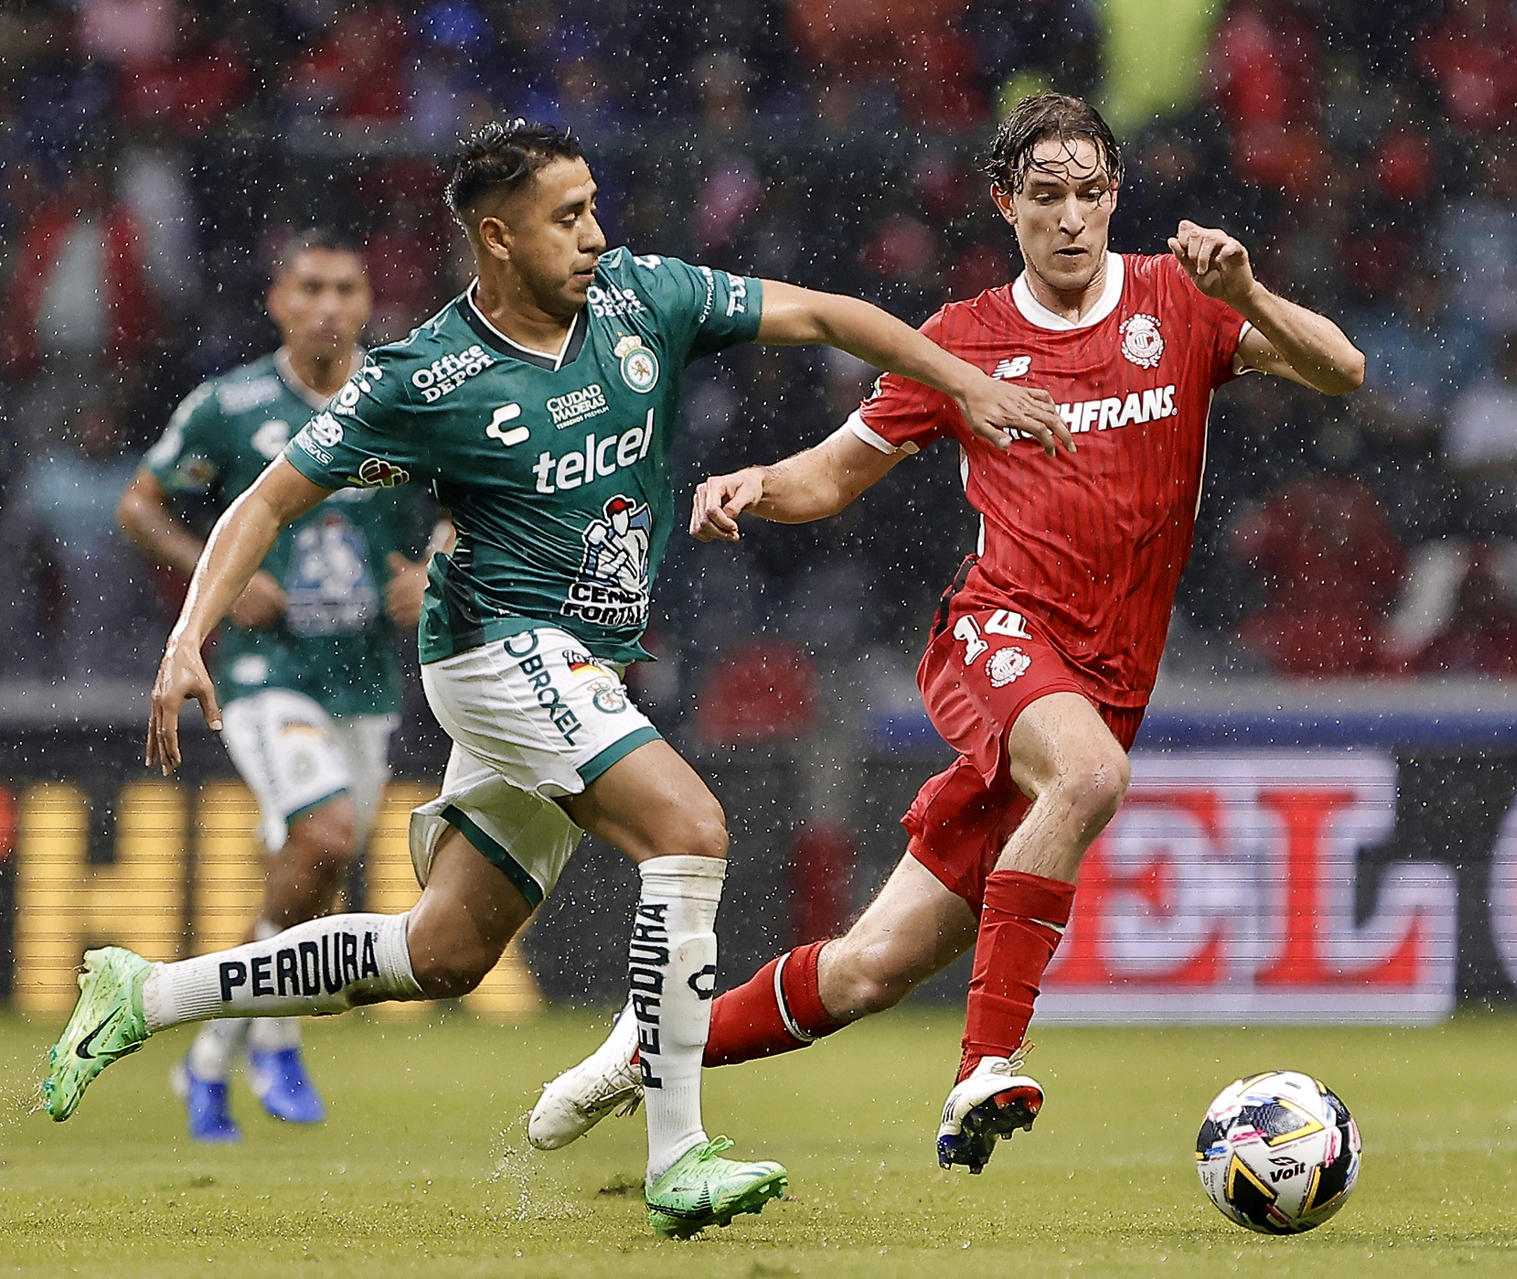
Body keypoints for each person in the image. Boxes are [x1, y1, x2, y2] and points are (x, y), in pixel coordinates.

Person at [44, 119, 1065, 1238]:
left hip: (587, 664)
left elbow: (823, 314)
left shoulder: (642, 297)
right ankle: (678, 1154)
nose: (595, 234)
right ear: (496, 237)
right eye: (566, 217)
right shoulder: (428, 373)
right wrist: (189, 631)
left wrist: (962, 380)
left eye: (593, 207)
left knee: (442, 952)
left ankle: (146, 992)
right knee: (691, 827)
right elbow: (265, 499)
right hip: (493, 648)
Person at [527, 92, 1364, 1174]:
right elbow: (835, 470)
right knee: (1092, 777)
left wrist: (1246, 288)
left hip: (1105, 681)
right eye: (1046, 196)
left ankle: (646, 1049)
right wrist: (754, 487)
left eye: (1090, 194)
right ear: (1005, 202)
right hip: (996, 639)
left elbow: (1339, 368)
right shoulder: (963, 339)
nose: (1070, 219)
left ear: (1118, 197)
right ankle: (986, 1062)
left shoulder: (1180, 299)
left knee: (870, 968)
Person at [116, 231, 438, 1142]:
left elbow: (468, 496)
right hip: (265, 674)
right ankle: (279, 1038)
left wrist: (434, 570)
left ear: (368, 299)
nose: (328, 304)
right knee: (325, 835)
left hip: (366, 676)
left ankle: (210, 1062)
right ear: (279, 302)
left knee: (313, 875)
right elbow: (140, 504)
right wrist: (213, 577)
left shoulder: (405, 394)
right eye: (310, 287)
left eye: (345, 286)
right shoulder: (233, 404)